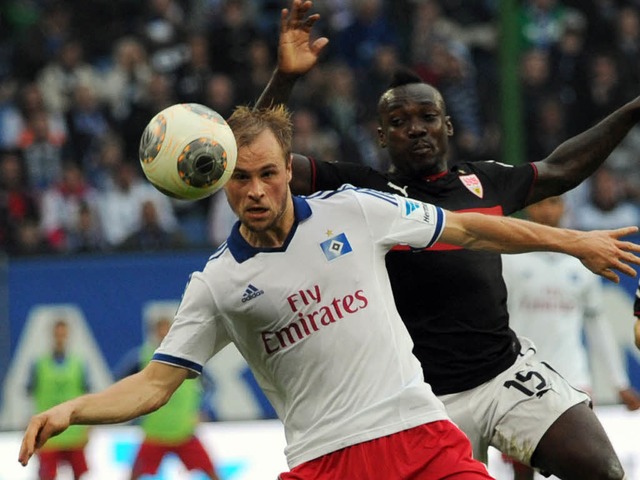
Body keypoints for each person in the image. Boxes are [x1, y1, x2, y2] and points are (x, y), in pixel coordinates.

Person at [18, 105, 640, 480]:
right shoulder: (216, 284)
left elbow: (473, 228)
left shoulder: (355, 212)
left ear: (290, 170)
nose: (256, 190)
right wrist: (76, 408)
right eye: (241, 179)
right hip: (324, 461)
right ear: (218, 183)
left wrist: (574, 242)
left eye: (268, 173)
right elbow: (154, 385)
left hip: (422, 438)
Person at [254, 1, 640, 477]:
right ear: (380, 136)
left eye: (427, 117)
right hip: (420, 401)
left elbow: (561, 168)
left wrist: (634, 108)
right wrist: (286, 78)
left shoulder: (484, 181)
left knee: (603, 469)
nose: (414, 128)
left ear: (448, 126)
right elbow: (258, 161)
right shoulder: (362, 191)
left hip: (505, 373)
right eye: (398, 122)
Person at [502, 195, 640, 480]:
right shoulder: (509, 258)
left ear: (564, 208)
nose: (547, 210)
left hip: (573, 380)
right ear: (529, 207)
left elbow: (597, 325)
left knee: (582, 462)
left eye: (554, 203)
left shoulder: (582, 262)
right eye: (541, 203)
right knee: (522, 467)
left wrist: (619, 382)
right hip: (522, 378)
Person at [114, 315, 220, 480]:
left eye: (167, 331)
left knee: (211, 472)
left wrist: (201, 409)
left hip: (183, 429)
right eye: (160, 331)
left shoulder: (189, 356)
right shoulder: (142, 357)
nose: (164, 335)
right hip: (156, 430)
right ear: (154, 333)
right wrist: (133, 407)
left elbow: (211, 385)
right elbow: (120, 382)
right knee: (134, 474)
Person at [26, 318, 91, 480]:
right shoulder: (39, 364)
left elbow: (86, 396)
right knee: (46, 475)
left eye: (63, 334)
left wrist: (89, 428)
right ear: (52, 335)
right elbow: (30, 397)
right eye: (57, 334)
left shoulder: (79, 364)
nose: (60, 338)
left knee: (79, 474)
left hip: (74, 432)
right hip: (48, 434)